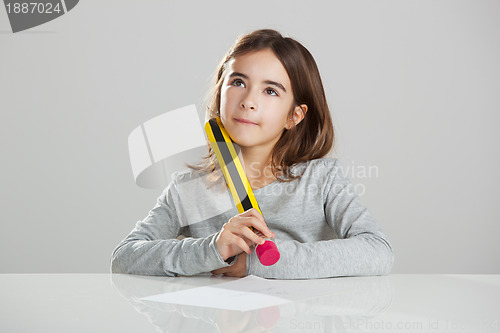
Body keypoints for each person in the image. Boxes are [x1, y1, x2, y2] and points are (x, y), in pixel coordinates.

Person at [111, 29, 394, 279]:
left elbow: (377, 251)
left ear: (294, 115)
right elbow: (124, 257)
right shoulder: (187, 190)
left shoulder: (323, 180)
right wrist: (212, 249)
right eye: (238, 82)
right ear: (221, 90)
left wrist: (256, 263)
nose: (248, 101)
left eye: (270, 91)